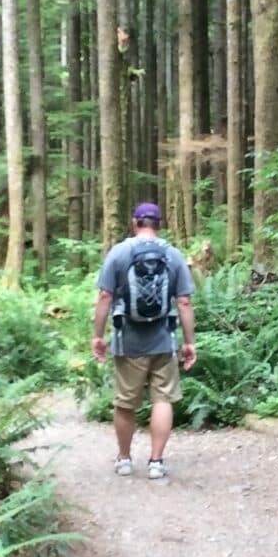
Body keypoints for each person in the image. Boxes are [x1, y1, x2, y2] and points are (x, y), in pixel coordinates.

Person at [91, 203, 196, 480]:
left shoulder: (119, 252)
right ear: (158, 224)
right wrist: (189, 342)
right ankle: (156, 462)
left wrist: (98, 336)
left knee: (125, 402)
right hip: (164, 340)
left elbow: (104, 297)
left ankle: (125, 459)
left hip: (128, 340)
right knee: (162, 399)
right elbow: (183, 301)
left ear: (134, 222)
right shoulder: (173, 254)